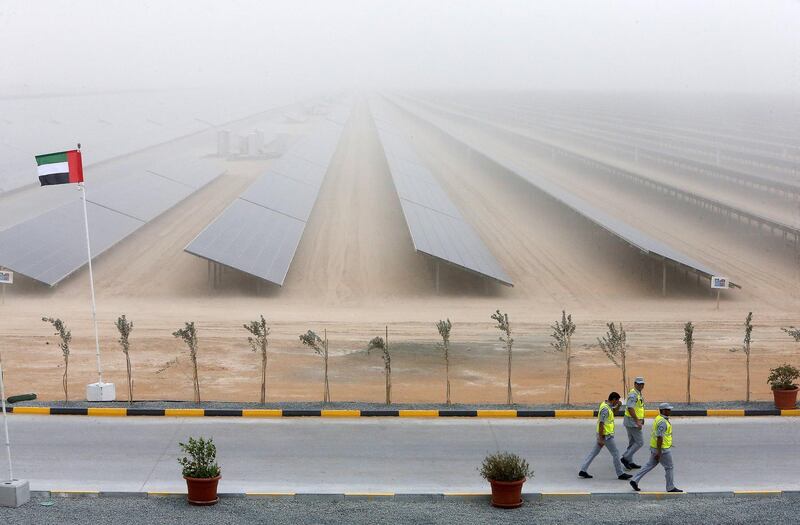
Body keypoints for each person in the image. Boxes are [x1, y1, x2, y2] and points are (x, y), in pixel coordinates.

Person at [578, 392, 633, 480]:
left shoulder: (607, 405)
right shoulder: (605, 409)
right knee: (616, 453)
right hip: (605, 435)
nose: (617, 402)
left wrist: (618, 406)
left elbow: (613, 412)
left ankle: (583, 470)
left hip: (604, 434)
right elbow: (601, 423)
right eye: (617, 400)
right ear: (614, 399)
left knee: (593, 453)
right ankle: (620, 474)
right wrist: (601, 438)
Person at [630, 402, 683, 492]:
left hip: (656, 447)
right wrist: (659, 452)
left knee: (649, 465)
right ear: (662, 410)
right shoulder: (662, 422)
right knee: (669, 467)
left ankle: (635, 480)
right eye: (667, 409)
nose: (669, 411)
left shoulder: (659, 418)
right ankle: (670, 487)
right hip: (662, 449)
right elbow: (659, 437)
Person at [621, 377, 646, 470]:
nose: (640, 386)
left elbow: (639, 407)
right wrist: (637, 421)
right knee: (640, 442)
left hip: (632, 420)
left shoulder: (637, 393)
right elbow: (630, 408)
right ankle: (625, 458)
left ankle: (630, 462)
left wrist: (641, 418)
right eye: (638, 384)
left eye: (642, 384)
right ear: (635, 384)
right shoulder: (633, 394)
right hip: (632, 421)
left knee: (632, 442)